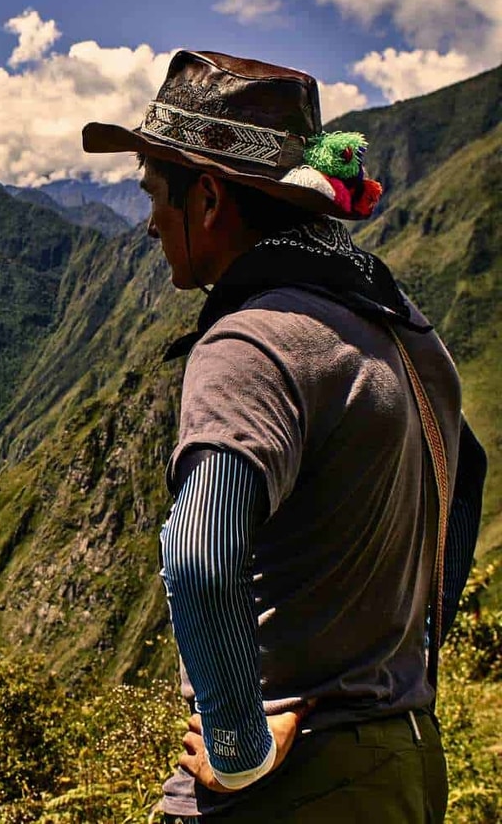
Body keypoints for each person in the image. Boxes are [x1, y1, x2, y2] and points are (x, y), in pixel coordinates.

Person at [82, 50, 487, 822]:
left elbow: (199, 554)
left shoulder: (254, 341)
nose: (149, 222)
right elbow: (466, 478)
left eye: (154, 194)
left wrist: (237, 743)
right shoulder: (404, 329)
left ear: (206, 198)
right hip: (403, 759)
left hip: (290, 780)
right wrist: (408, 658)